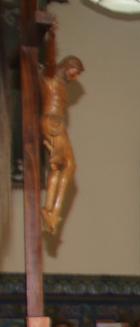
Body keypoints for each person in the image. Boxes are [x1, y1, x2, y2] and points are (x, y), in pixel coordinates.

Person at [39, 27, 84, 235]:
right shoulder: (50, 78)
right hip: (52, 122)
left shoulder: (62, 85)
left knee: (60, 167)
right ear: (67, 66)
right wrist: (52, 36)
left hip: (57, 123)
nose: (75, 77)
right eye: (74, 72)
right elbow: (49, 60)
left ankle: (50, 209)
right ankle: (52, 211)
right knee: (70, 166)